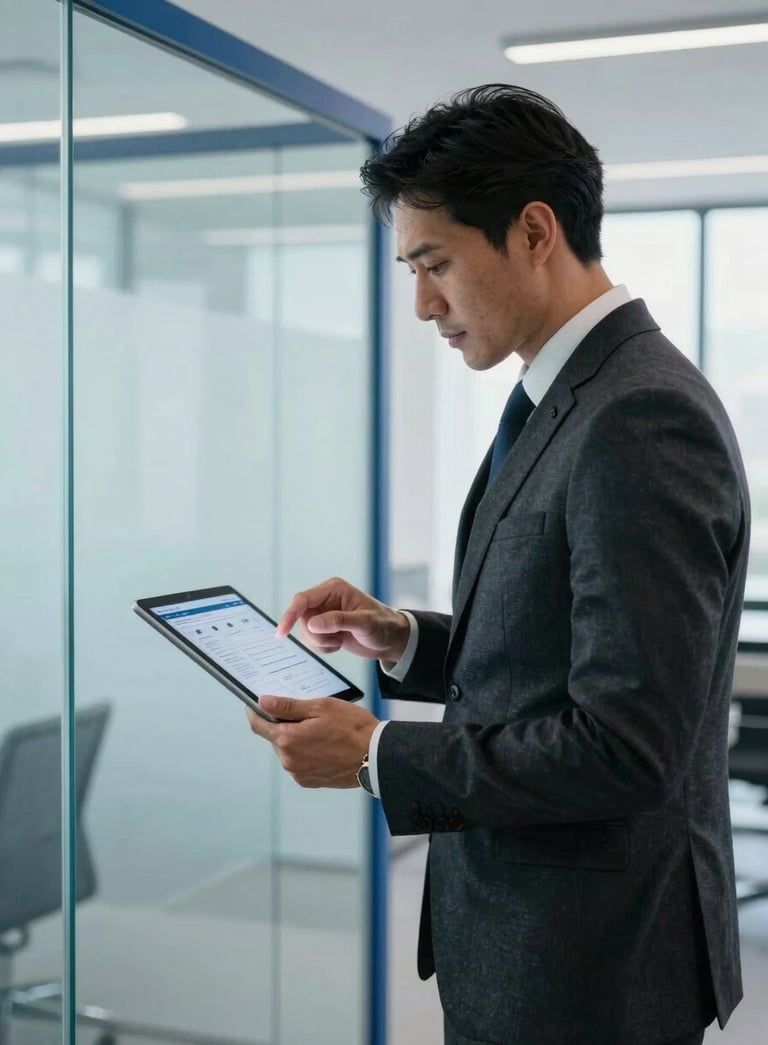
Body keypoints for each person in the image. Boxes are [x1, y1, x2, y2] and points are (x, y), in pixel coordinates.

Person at [247, 84, 750, 1045]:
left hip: (588, 964)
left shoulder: (638, 418)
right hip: (537, 937)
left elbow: (627, 743)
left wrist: (376, 755)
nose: (423, 303)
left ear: (532, 231)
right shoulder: (571, 396)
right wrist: (404, 638)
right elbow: (560, 649)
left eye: (435, 263)